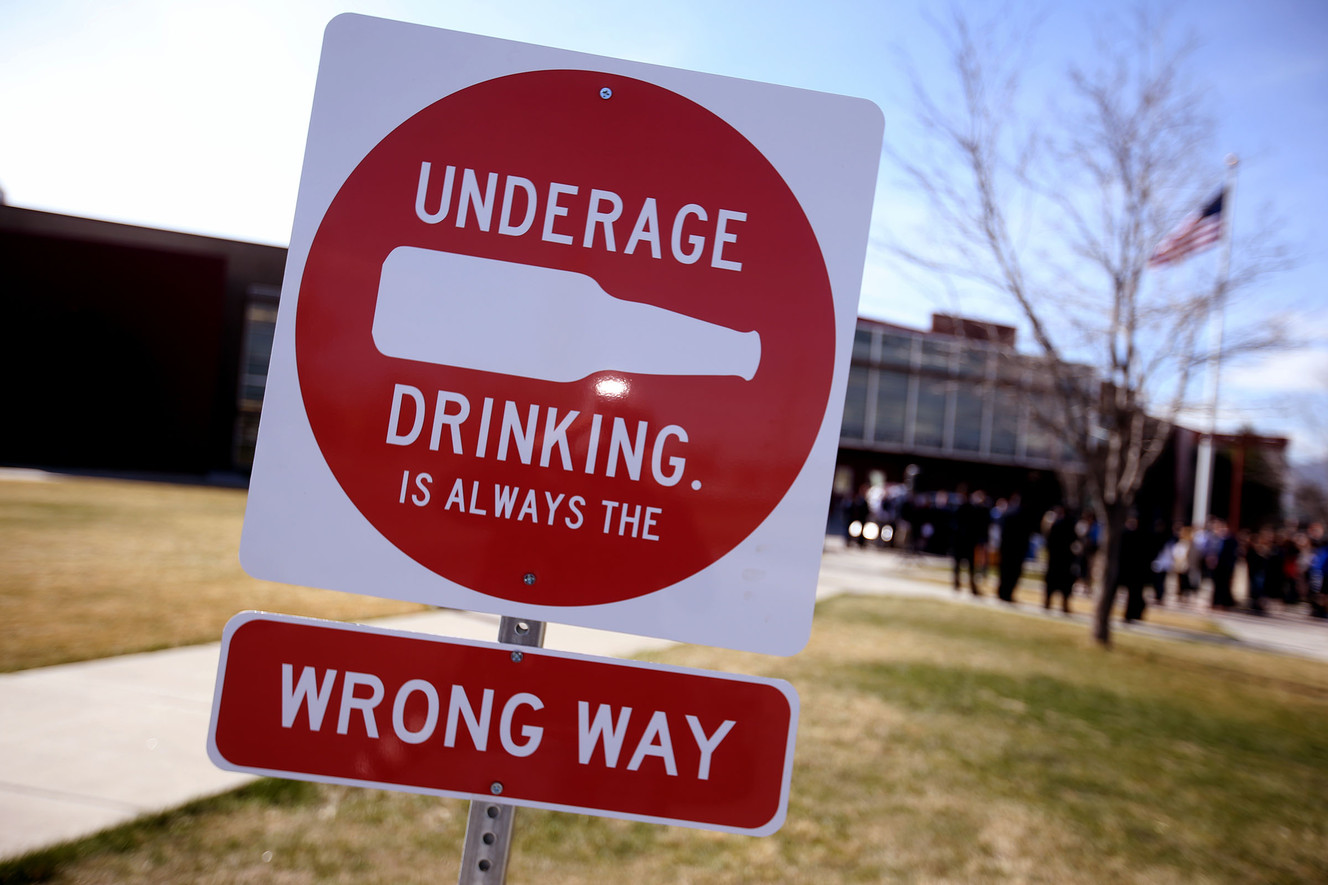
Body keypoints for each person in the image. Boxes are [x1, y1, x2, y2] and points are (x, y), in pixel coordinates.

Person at [951, 489, 990, 595]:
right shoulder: (969, 509)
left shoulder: (966, 508)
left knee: (965, 564)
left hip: (964, 540)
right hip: (965, 540)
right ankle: (960, 583)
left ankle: (961, 584)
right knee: (964, 564)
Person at [997, 494, 1032, 602]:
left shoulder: (1008, 513)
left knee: (1004, 571)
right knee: (1014, 572)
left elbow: (1002, 532)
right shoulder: (1025, 515)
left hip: (1007, 548)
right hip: (1018, 549)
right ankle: (1008, 592)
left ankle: (1002, 592)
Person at [1043, 506, 1076, 612]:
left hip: (1055, 558)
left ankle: (1047, 602)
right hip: (1065, 559)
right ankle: (1064, 604)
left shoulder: (1055, 524)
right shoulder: (1070, 525)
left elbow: (1048, 540)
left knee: (1051, 581)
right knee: (1065, 583)